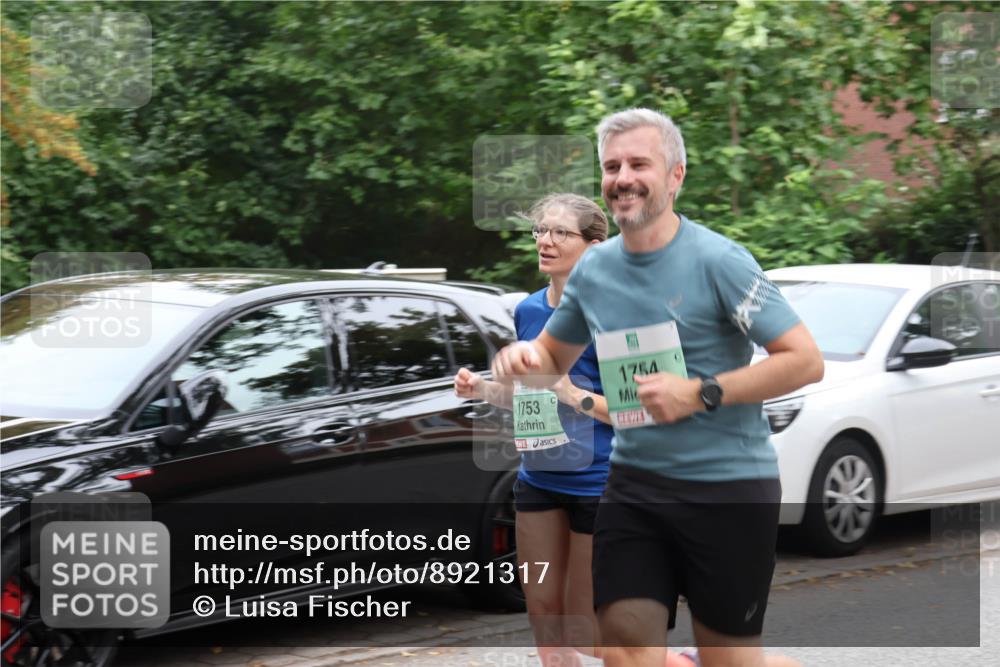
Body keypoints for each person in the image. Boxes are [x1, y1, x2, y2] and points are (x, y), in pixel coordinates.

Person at [490, 109, 823, 667]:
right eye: (612, 166)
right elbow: (551, 355)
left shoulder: (721, 261)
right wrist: (525, 358)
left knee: (728, 660)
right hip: (633, 486)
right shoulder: (595, 270)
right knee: (621, 647)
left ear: (675, 176)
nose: (623, 178)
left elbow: (804, 361)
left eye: (639, 164)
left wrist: (698, 393)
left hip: (726, 488)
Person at [454, 193, 697, 667]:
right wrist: (481, 390)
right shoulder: (528, 311)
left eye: (560, 232)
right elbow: (531, 397)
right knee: (543, 613)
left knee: (591, 633)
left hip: (602, 485)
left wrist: (573, 395)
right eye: (541, 231)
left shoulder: (622, 314)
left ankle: (685, 663)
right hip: (540, 480)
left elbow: (645, 411)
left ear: (593, 247)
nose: (545, 241)